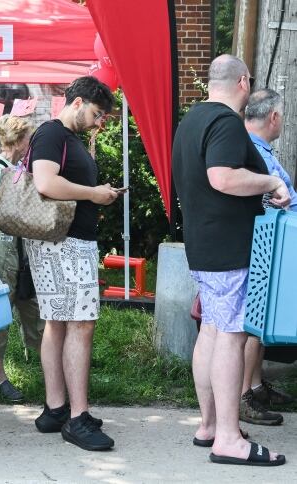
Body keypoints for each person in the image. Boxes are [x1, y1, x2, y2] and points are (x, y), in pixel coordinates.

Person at [173, 54, 289, 466]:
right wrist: (271, 180)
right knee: (231, 336)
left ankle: (209, 426)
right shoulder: (224, 123)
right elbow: (221, 176)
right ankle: (228, 438)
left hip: (204, 245)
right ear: (243, 81)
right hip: (228, 248)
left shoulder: (191, 121)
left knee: (212, 332)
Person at [27, 76, 118, 451]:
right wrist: (94, 194)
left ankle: (56, 409)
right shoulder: (53, 134)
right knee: (81, 324)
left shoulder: (62, 136)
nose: (100, 123)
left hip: (59, 241)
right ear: (77, 103)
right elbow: (45, 183)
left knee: (58, 322)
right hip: (65, 242)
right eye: (98, 114)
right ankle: (77, 417)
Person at [238, 88, 296, 426]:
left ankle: (255, 386)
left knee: (261, 323)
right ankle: (244, 395)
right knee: (253, 324)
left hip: (269, 243)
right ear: (273, 117)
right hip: (262, 246)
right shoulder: (254, 153)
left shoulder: (255, 149)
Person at [0, 114, 44, 402]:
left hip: (23, 246)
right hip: (3, 246)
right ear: (18, 141)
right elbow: (1, 211)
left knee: (33, 305)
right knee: (0, 307)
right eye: (28, 138)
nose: (30, 143)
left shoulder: (20, 167)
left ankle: (50, 371)